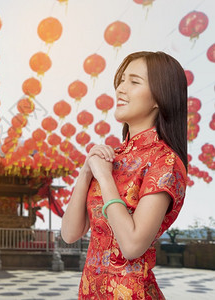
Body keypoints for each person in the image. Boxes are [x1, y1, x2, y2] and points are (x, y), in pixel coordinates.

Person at [61, 51, 188, 299]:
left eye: (134, 81)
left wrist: (105, 178)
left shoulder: (165, 161)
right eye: (121, 80)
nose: (121, 88)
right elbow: (70, 233)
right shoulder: (111, 157)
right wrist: (87, 171)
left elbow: (132, 246)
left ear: (158, 98)